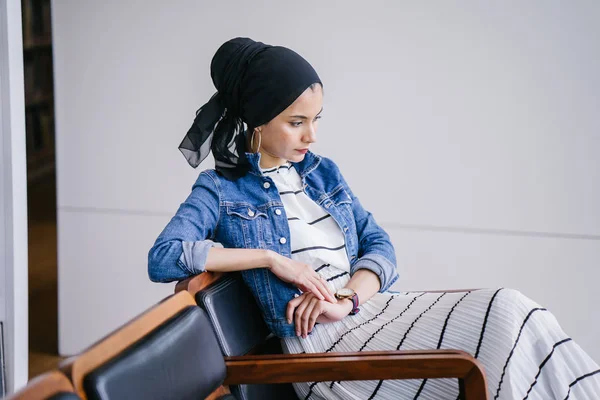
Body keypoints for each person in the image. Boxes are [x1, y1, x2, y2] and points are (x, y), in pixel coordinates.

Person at [148, 37, 600, 399]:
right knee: (505, 318)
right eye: (296, 122)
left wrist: (345, 299)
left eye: (316, 119)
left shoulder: (322, 173)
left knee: (514, 310)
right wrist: (271, 259)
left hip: (365, 314)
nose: (312, 134)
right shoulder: (221, 190)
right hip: (324, 351)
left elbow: (380, 247)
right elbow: (164, 258)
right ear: (257, 121)